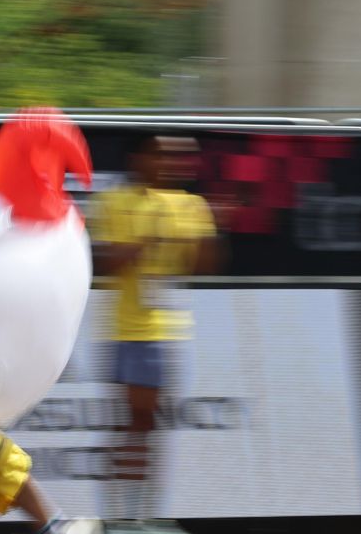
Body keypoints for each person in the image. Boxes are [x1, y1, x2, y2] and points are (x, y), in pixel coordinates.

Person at [90, 135, 218, 522]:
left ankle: (136, 512)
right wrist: (145, 242)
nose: (169, 161)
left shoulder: (190, 205)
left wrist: (206, 235)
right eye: (159, 153)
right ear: (137, 157)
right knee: (138, 422)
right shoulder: (113, 200)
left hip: (168, 329)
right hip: (129, 329)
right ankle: (127, 514)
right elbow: (103, 261)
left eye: (176, 155)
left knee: (145, 423)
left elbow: (206, 266)